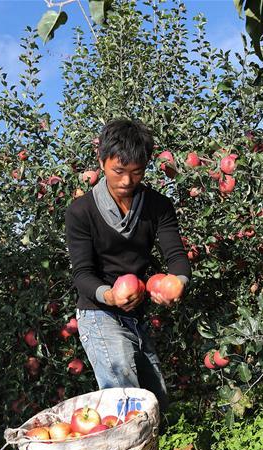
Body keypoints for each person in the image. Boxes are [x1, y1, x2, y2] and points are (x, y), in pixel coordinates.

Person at [64, 118, 189, 418]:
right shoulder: (81, 211)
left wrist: (179, 282)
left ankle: (151, 449)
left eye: (137, 172)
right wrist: (110, 296)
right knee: (126, 397)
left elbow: (176, 256)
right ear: (101, 161)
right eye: (118, 171)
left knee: (155, 400)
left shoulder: (158, 206)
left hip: (135, 312)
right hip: (98, 311)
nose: (126, 181)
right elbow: (82, 274)